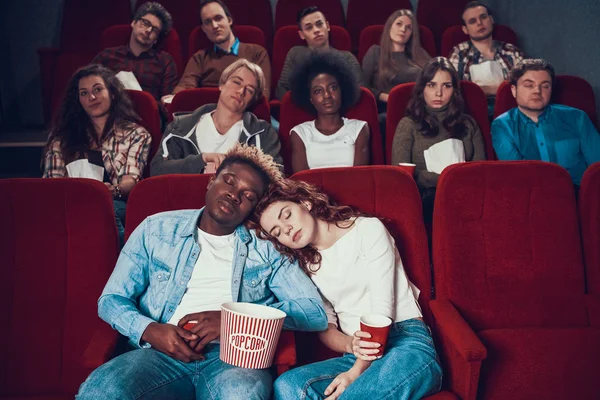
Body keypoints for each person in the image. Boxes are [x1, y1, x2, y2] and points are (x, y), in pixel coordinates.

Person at [76, 144, 328, 400]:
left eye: (248, 195)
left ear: (253, 208)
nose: (234, 195)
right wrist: (150, 330)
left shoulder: (267, 247)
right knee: (101, 392)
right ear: (211, 182)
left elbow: (313, 311)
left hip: (234, 358)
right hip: (157, 354)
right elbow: (111, 300)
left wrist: (234, 322)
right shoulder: (156, 230)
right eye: (229, 181)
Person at [251, 179, 442, 400]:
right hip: (356, 352)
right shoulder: (305, 267)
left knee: (352, 396)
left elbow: (381, 311)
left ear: (305, 203)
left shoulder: (367, 229)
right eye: (277, 232)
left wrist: (356, 372)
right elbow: (326, 328)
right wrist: (351, 344)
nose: (287, 229)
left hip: (405, 343)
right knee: (288, 386)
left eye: (287, 215)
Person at [42, 64, 151, 246]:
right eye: (84, 93)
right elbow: (51, 183)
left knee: (105, 209)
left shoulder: (136, 134)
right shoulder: (61, 137)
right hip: (69, 204)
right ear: (78, 100)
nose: (92, 97)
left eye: (98, 90)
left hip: (113, 203)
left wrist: (112, 190)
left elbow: (131, 180)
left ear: (113, 93)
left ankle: (120, 263)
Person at [391, 57, 486, 222]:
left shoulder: (469, 124)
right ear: (422, 89)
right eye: (431, 85)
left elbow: (480, 172)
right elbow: (401, 175)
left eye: (446, 86)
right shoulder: (408, 125)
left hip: (466, 195)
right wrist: (446, 179)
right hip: (424, 200)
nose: (438, 93)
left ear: (454, 90)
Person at [151, 59, 282, 176]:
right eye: (237, 82)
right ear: (222, 84)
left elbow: (276, 178)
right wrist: (201, 160)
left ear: (253, 99)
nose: (241, 91)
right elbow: (157, 170)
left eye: (250, 90)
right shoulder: (180, 126)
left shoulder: (263, 133)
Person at [492, 59, 600, 186]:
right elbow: (517, 176)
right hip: (534, 198)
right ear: (514, 90)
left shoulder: (577, 118)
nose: (537, 91)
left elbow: (597, 168)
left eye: (545, 86)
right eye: (528, 85)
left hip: (580, 196)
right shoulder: (502, 126)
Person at [163, 0, 271, 103]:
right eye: (208, 22)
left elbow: (263, 92)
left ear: (229, 20)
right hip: (208, 113)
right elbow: (186, 86)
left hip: (246, 111)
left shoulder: (257, 52)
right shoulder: (200, 57)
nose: (214, 26)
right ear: (204, 29)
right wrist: (175, 97)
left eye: (218, 18)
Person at [288, 52, 369, 173]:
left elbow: (360, 176)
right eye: (318, 91)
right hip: (312, 192)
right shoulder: (300, 133)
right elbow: (301, 182)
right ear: (310, 98)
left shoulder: (359, 128)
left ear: (342, 90)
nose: (327, 95)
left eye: (333, 88)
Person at [92, 2, 177, 108]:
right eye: (145, 23)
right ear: (133, 23)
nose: (148, 30)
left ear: (156, 39)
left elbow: (167, 103)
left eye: (155, 30)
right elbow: (89, 89)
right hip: (109, 114)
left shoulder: (165, 61)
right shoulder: (107, 56)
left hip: (146, 117)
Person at [448, 1, 524, 115]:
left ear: (491, 20)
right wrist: (499, 89)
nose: (480, 23)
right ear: (465, 29)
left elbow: (525, 86)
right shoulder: (458, 53)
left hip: (512, 113)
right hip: (473, 115)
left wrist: (484, 89)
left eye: (483, 17)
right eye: (472, 21)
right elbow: (453, 89)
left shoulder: (512, 51)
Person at [276, 6, 363, 100]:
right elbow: (282, 90)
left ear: (328, 26)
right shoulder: (295, 54)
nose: (316, 30)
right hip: (302, 111)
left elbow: (360, 91)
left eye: (319, 24)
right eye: (309, 28)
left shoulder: (347, 58)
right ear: (301, 34)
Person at [362, 9, 430, 124]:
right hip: (388, 111)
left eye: (408, 27)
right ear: (389, 27)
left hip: (418, 109)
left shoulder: (419, 54)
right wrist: (386, 97)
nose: (403, 29)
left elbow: (436, 76)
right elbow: (362, 87)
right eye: (399, 24)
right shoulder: (375, 52)